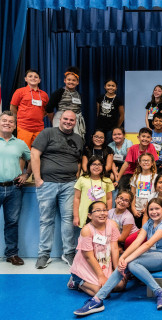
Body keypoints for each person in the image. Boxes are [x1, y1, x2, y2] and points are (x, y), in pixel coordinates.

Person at [73, 198, 162, 315]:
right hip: (151, 255)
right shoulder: (149, 223)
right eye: (151, 209)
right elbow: (137, 242)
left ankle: (160, 292)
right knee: (126, 263)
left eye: (157, 209)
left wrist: (126, 259)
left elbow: (147, 244)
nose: (154, 212)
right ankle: (97, 300)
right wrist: (123, 258)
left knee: (131, 263)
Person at [31, 110, 84, 269]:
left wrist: (76, 177)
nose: (68, 122)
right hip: (47, 183)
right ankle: (44, 254)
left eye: (72, 120)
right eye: (66, 119)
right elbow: (34, 155)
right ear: (60, 119)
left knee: (68, 220)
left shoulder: (78, 139)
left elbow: (79, 160)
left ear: (75, 122)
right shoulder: (47, 133)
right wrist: (38, 179)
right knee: (46, 220)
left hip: (69, 184)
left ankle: (68, 253)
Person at [68, 201, 126, 296]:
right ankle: (77, 282)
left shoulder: (112, 225)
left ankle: (94, 282)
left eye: (104, 210)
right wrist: (101, 276)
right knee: (103, 293)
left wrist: (117, 270)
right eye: (98, 210)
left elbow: (115, 248)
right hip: (87, 266)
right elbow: (89, 257)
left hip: (103, 264)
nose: (102, 213)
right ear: (90, 215)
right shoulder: (86, 230)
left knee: (120, 286)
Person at [0, 111, 31, 266]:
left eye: (10, 121)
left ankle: (12, 254)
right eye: (4, 120)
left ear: (15, 125)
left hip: (14, 188)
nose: (7, 123)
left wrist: (26, 174)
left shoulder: (20, 144)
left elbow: (32, 159)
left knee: (12, 222)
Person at [9, 69, 49, 148]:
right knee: (23, 152)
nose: (33, 78)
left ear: (39, 80)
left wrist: (38, 116)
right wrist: (21, 117)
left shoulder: (44, 94)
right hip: (24, 127)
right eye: (30, 76)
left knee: (37, 152)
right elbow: (13, 107)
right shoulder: (20, 91)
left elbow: (47, 110)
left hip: (39, 128)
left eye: (36, 77)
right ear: (25, 79)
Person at [73, 156, 114, 228]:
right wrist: (76, 216)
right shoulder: (82, 179)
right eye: (93, 164)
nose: (96, 167)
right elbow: (77, 198)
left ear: (103, 167)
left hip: (101, 215)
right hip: (84, 214)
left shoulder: (107, 181)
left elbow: (109, 199)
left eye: (99, 164)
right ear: (89, 166)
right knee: (84, 235)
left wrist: (108, 214)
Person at [46, 66, 86, 139]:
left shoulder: (79, 94)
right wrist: (54, 120)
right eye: (69, 79)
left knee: (75, 141)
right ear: (65, 80)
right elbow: (49, 108)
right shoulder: (59, 93)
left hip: (75, 121)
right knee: (60, 140)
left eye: (74, 80)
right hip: (62, 119)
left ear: (77, 82)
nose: (71, 82)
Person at [130, 153, 157, 228]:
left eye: (148, 160)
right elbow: (132, 194)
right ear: (140, 163)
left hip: (151, 210)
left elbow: (157, 195)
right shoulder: (136, 177)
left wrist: (147, 208)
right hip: (137, 211)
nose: (146, 162)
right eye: (143, 160)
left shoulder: (156, 177)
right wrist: (133, 209)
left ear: (152, 163)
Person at [96, 79, 124, 143]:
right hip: (100, 126)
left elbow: (122, 115)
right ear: (105, 87)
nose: (111, 87)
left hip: (111, 128)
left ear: (116, 87)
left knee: (109, 144)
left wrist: (116, 127)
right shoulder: (100, 98)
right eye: (108, 85)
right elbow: (98, 112)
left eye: (113, 86)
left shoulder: (118, 100)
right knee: (99, 142)